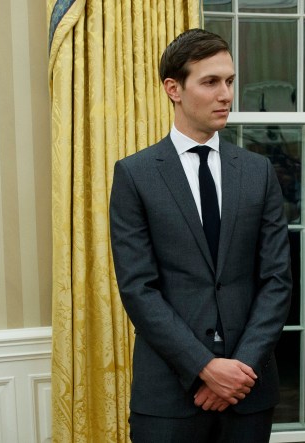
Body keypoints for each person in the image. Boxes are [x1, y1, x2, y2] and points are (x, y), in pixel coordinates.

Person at [109, 29, 292, 442]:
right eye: (210, 82)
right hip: (168, 396)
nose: (225, 94)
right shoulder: (135, 175)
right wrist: (205, 369)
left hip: (249, 391)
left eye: (229, 81)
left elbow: (277, 281)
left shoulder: (258, 173)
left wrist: (239, 369)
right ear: (173, 88)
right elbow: (138, 288)